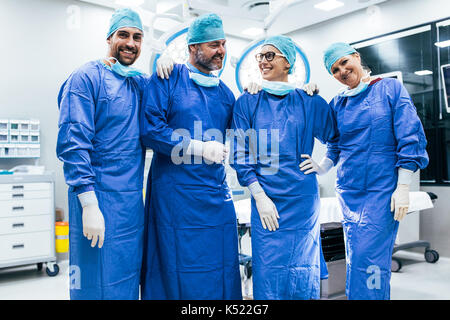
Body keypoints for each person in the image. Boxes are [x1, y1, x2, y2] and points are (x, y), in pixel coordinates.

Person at [56, 8, 173, 300]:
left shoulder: (139, 84)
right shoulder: (85, 78)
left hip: (130, 207)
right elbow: (73, 143)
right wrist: (89, 202)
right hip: (95, 199)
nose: (130, 43)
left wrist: (171, 65)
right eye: (123, 35)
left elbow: (171, 108)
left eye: (137, 37)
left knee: (126, 279)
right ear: (109, 37)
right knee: (95, 282)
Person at [302, 42, 429, 299]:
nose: (342, 71)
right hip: (349, 193)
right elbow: (335, 144)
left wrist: (403, 186)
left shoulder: (390, 89)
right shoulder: (338, 103)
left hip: (381, 193)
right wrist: (322, 166)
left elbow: (410, 137)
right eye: (335, 70)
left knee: (370, 260)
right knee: (355, 260)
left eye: (344, 63)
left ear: (357, 58)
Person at [139, 13, 242, 300]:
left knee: (219, 264)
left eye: (223, 43)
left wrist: (266, 94)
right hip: (174, 199)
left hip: (214, 195)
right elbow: (150, 130)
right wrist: (198, 147)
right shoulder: (167, 79)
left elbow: (248, 132)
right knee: (173, 266)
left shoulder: (225, 94)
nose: (221, 50)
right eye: (213, 45)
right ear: (193, 48)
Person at [230, 35, 338, 300]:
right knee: (269, 270)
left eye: (270, 55)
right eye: (260, 57)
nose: (263, 62)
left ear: (287, 62)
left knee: (303, 268)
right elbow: (240, 153)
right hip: (265, 198)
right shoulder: (247, 101)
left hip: (302, 200)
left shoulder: (309, 101)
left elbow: (336, 139)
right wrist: (259, 196)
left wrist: (324, 166)